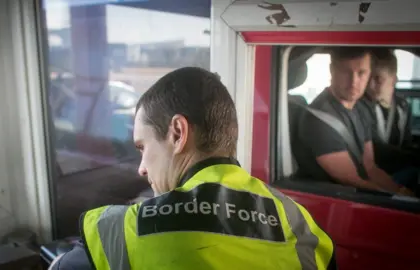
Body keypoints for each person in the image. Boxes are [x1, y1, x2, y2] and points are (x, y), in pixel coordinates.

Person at [50, 67, 337, 269]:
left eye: (142, 147)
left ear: (177, 132)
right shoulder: (301, 225)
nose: (141, 169)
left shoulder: (121, 231)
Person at [295, 47, 414, 196]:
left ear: (369, 73)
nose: (354, 81)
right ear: (332, 71)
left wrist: (400, 190)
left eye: (361, 73)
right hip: (339, 199)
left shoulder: (360, 109)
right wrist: (397, 197)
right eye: (346, 72)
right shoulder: (318, 119)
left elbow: (370, 168)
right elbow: (350, 179)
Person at [360, 49, 419, 192]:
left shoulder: (402, 106)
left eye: (378, 79)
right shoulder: (361, 107)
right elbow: (376, 149)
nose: (370, 85)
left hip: (398, 169)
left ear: (394, 79)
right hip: (376, 174)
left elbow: (406, 142)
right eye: (368, 79)